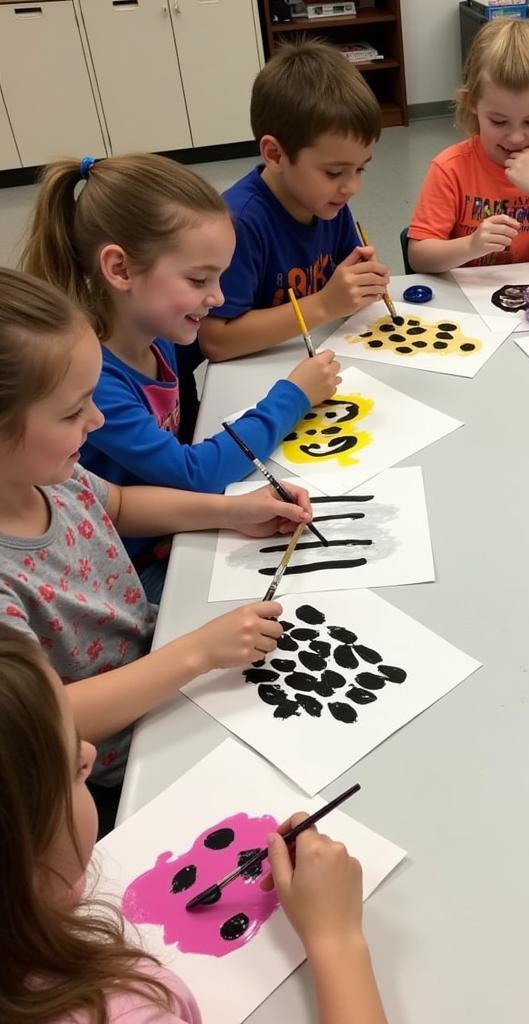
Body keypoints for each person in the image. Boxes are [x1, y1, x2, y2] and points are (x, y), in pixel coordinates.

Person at [0, 268, 308, 814]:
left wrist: (234, 511)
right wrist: (197, 652)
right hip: (121, 767)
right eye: (72, 412)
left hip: (163, 668)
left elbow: (117, 505)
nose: (96, 420)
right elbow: (48, 720)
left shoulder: (45, 473)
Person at [0, 622, 389, 1023]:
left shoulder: (35, 895)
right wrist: (336, 941)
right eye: (70, 766)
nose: (89, 753)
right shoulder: (124, 1013)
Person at [20, 154, 340, 595]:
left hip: (172, 525)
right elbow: (194, 473)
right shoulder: (98, 382)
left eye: (220, 277)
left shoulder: (159, 330)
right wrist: (293, 396)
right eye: (198, 279)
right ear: (121, 269)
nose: (218, 297)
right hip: (129, 566)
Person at [200, 40, 390, 361]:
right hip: (256, 378)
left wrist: (363, 284)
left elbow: (345, 283)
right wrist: (326, 304)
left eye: (360, 169)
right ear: (275, 154)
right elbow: (216, 342)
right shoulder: (238, 223)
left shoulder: (329, 202)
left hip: (310, 359)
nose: (351, 187)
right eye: (334, 172)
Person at [407, 18, 529, 273]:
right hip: (466, 300)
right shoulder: (450, 168)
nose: (516, 138)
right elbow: (418, 257)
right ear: (472, 103)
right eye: (499, 122)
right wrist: (470, 246)